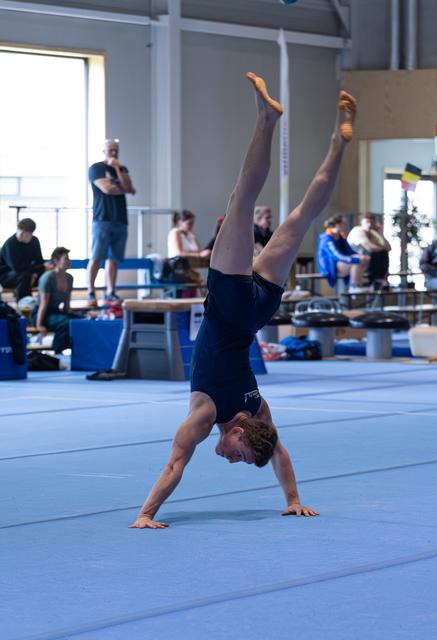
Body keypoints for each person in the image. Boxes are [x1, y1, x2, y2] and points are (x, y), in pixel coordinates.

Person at [129, 72, 357, 530]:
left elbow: (278, 451)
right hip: (233, 305)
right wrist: (146, 513)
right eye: (239, 453)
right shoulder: (207, 413)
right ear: (236, 432)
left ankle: (340, 142)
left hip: (258, 310)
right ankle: (266, 119)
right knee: (241, 201)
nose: (233, 460)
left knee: (303, 216)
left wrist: (294, 499)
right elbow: (176, 463)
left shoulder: (258, 411)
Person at [87, 138, 136, 307]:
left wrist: (117, 168)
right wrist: (122, 188)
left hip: (120, 220)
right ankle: (91, 291)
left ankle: (110, 291)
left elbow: (129, 189)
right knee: (96, 256)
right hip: (102, 219)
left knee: (113, 258)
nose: (114, 153)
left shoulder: (121, 169)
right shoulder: (96, 168)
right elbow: (107, 189)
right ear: (104, 151)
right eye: (110, 150)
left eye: (116, 150)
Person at [32, 247, 80, 354]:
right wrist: (39, 325)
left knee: (81, 320)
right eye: (66, 258)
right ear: (56, 261)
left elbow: (67, 305)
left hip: (55, 312)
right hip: (41, 314)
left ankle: (78, 351)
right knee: (66, 323)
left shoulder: (69, 278)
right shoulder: (47, 277)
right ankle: (57, 352)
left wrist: (75, 315)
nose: (69, 261)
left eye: (69, 258)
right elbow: (43, 305)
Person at [0, 218, 50, 301]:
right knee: (24, 275)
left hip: (26, 271)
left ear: (31, 234)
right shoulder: (10, 244)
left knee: (50, 274)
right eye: (19, 232)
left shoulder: (34, 241)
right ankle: (24, 302)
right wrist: (34, 271)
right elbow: (17, 267)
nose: (20, 236)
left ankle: (44, 302)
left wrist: (44, 268)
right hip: (5, 275)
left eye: (24, 234)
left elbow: (39, 261)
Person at [318, 215, 370, 293]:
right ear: (336, 224)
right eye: (343, 224)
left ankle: (358, 283)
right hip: (330, 267)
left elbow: (349, 251)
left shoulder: (340, 237)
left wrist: (360, 256)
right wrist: (355, 259)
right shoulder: (326, 238)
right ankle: (353, 287)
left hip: (341, 263)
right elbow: (336, 256)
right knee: (357, 261)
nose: (345, 226)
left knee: (364, 258)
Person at [347, 213, 391, 289]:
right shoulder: (357, 231)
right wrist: (382, 248)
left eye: (371, 222)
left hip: (369, 262)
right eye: (367, 222)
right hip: (356, 261)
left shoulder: (373, 233)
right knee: (376, 252)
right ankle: (374, 280)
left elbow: (388, 248)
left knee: (383, 252)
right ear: (362, 223)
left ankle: (379, 279)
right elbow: (370, 248)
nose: (369, 224)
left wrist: (380, 233)